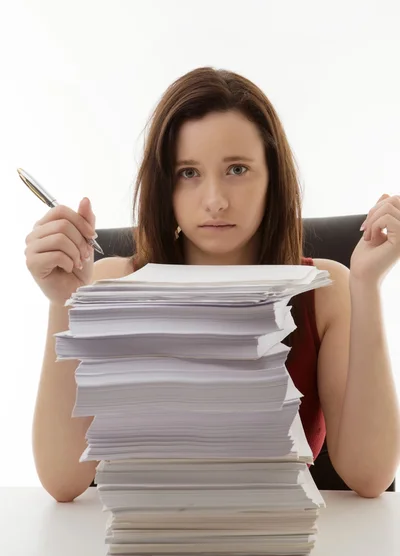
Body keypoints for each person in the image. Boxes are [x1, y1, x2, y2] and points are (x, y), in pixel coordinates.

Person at [25, 67, 400, 503]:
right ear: (163, 184)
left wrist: (368, 284)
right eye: (188, 173)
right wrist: (63, 303)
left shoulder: (326, 289)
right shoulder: (112, 283)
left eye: (237, 169)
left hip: (280, 545)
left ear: (273, 178)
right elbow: (61, 480)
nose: (215, 200)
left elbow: (370, 476)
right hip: (149, 546)